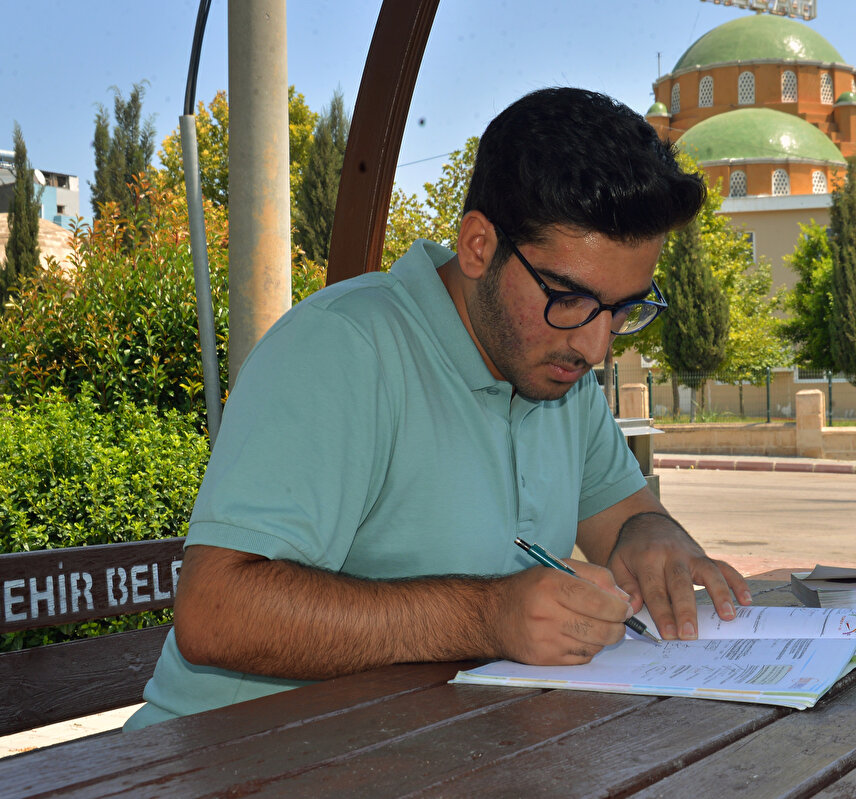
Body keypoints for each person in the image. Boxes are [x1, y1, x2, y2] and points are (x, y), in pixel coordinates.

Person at [125, 87, 751, 730]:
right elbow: (214, 611)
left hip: (429, 751)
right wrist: (487, 616)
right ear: (478, 246)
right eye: (567, 298)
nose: (595, 346)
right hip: (234, 757)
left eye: (623, 309)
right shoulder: (344, 346)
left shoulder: (555, 370)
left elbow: (624, 519)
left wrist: (649, 534)